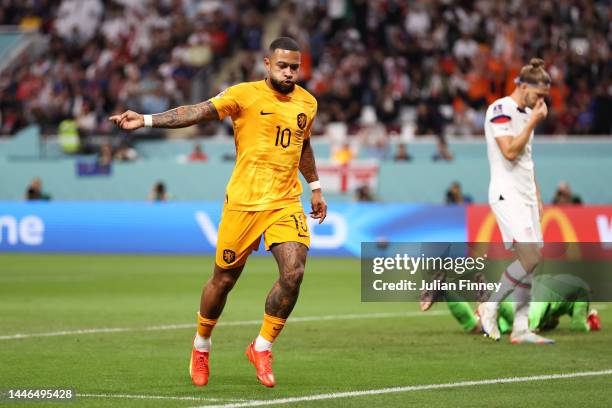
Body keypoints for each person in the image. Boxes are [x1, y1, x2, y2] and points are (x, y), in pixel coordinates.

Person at [109, 37, 327, 388]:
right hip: (243, 203)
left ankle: (262, 347)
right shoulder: (244, 94)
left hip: (285, 201)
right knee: (223, 281)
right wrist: (147, 120)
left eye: (294, 67)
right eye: (283, 66)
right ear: (267, 64)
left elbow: (304, 143)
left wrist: (315, 187)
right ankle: (201, 345)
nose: (289, 73)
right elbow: (196, 111)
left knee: (294, 273)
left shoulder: (308, 102)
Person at [478, 58, 553, 344]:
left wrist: (536, 193)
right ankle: (491, 305)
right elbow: (509, 151)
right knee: (531, 257)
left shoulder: (526, 112)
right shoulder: (500, 109)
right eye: (538, 95)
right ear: (522, 86)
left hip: (525, 195)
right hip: (506, 193)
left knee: (531, 262)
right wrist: (533, 121)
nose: (541, 102)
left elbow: (526, 158)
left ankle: (521, 328)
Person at [421, 274, 601, 336]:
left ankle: (444, 289)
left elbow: (553, 315)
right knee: (523, 326)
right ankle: (490, 299)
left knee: (478, 327)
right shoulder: (582, 290)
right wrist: (590, 322)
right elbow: (578, 326)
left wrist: (551, 321)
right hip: (540, 297)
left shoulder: (567, 283)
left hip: (527, 290)